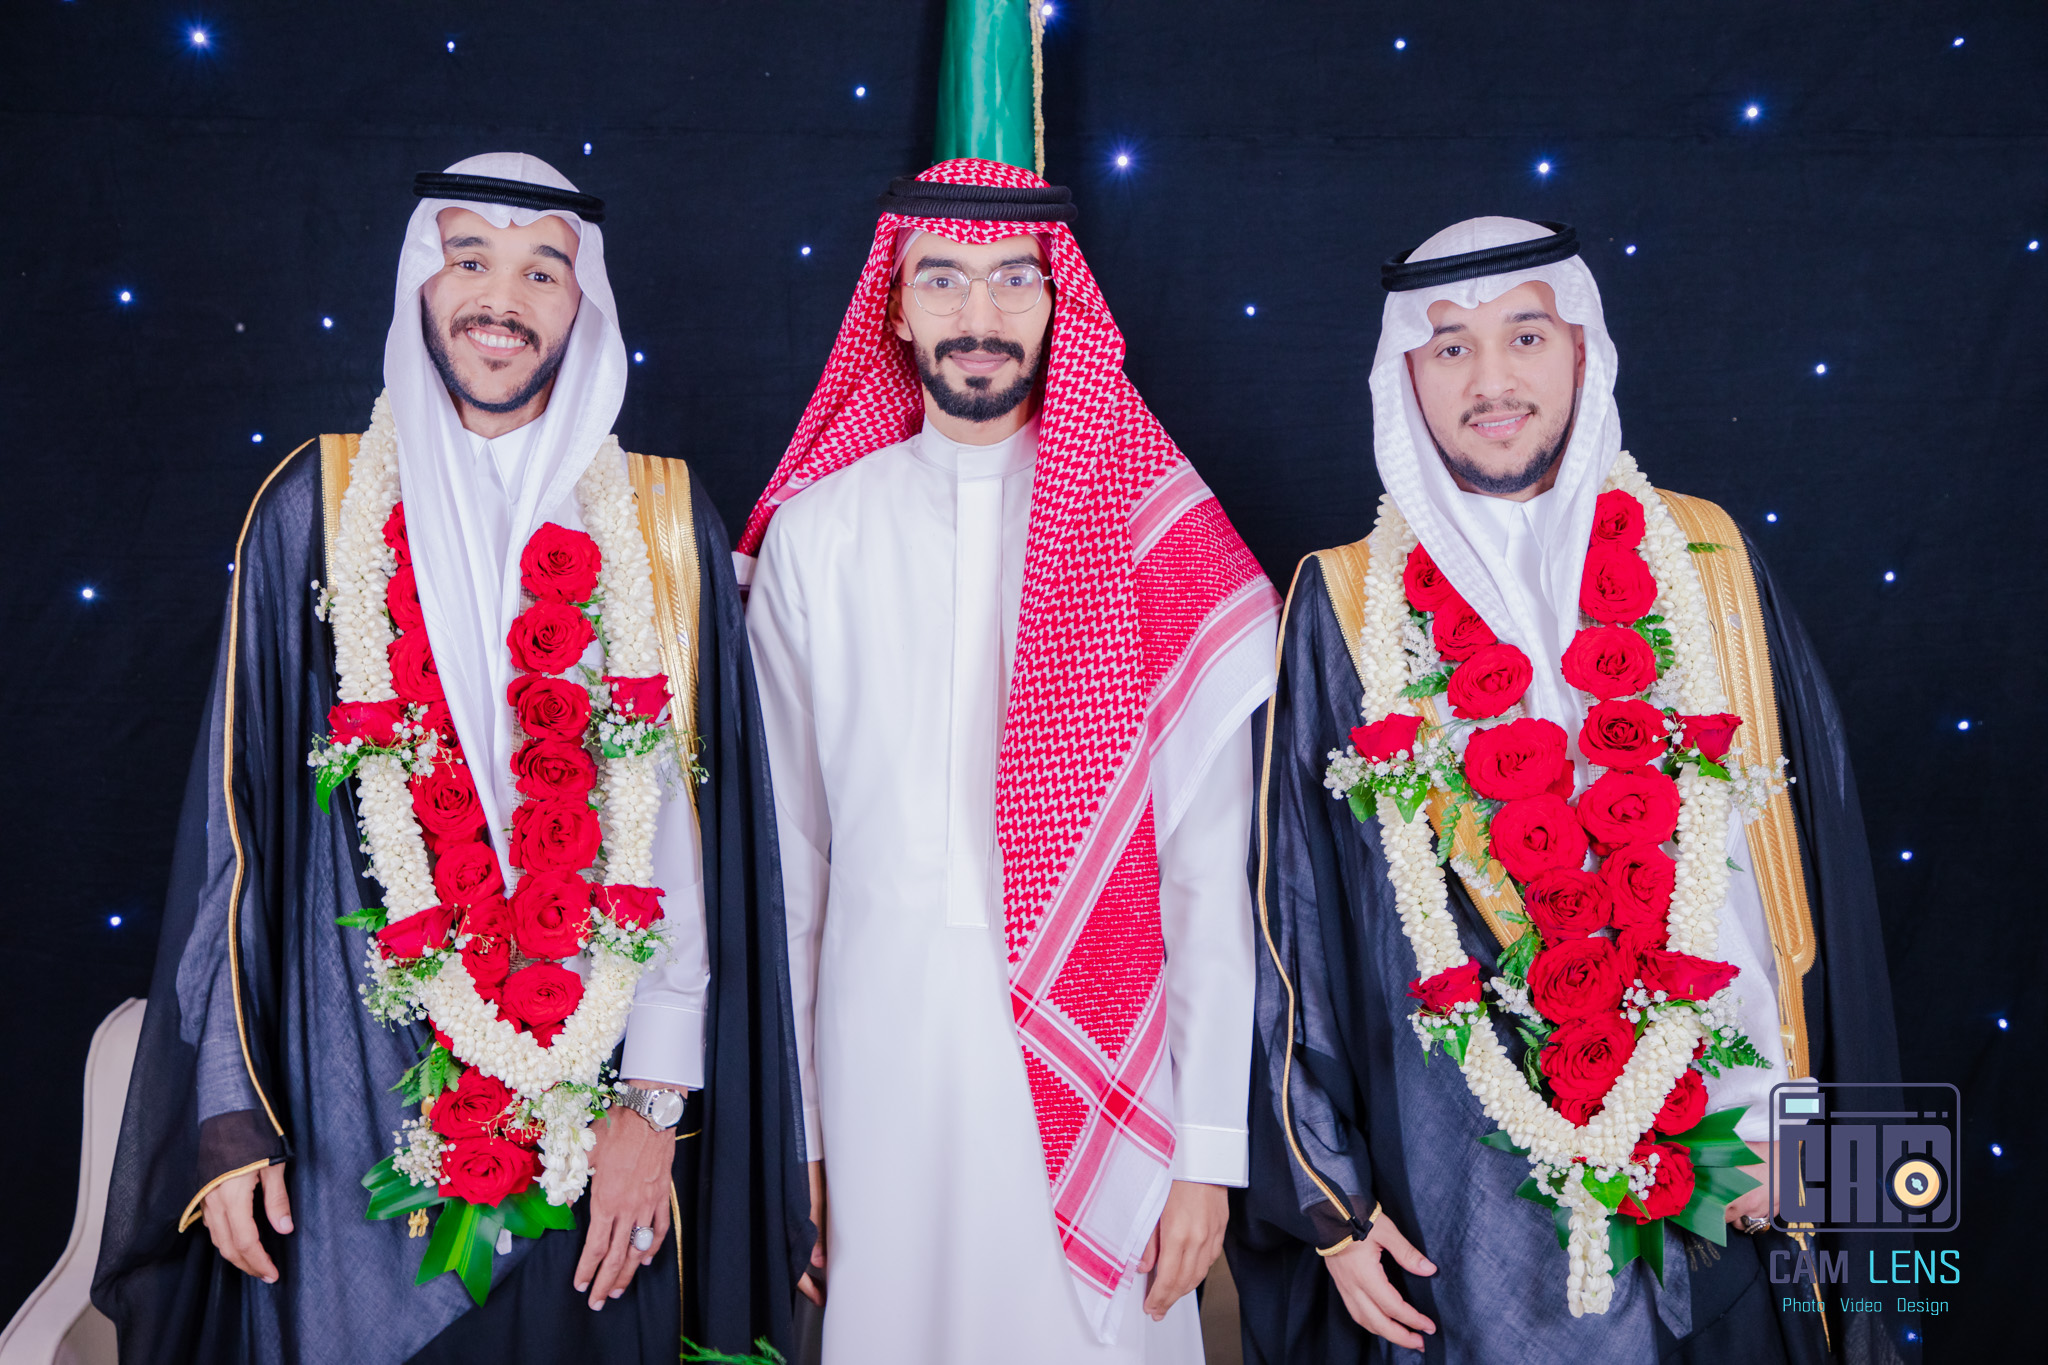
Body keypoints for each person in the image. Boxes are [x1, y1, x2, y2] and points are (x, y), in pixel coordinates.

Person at [93, 153, 808, 1365]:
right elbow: (237, 837)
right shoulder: (316, 507)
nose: (501, 298)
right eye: (469, 258)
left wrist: (652, 1108)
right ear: (419, 281)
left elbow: (683, 842)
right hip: (346, 1105)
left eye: (541, 271)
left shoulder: (655, 519)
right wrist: (227, 1110)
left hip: (593, 1120)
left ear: (582, 304)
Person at [1228, 217, 1907, 1364]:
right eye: (1449, 347)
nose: (1489, 381)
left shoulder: (1705, 557)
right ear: (1404, 377)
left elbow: (1803, 887)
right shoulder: (1343, 608)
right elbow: (1286, 926)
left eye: (1525, 336)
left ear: (1582, 347)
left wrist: (1811, 1158)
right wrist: (1329, 1203)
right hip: (1464, 1199)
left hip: (1738, 1164)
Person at [738, 158, 1282, 1363]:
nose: (976, 313)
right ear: (893, 308)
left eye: (1011, 280)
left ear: (1057, 304)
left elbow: (1203, 871)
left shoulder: (1146, 530)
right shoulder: (819, 535)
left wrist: (1204, 1151)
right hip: (876, 1059)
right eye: (941, 279)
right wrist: (800, 1136)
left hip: (1111, 1060)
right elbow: (789, 867)